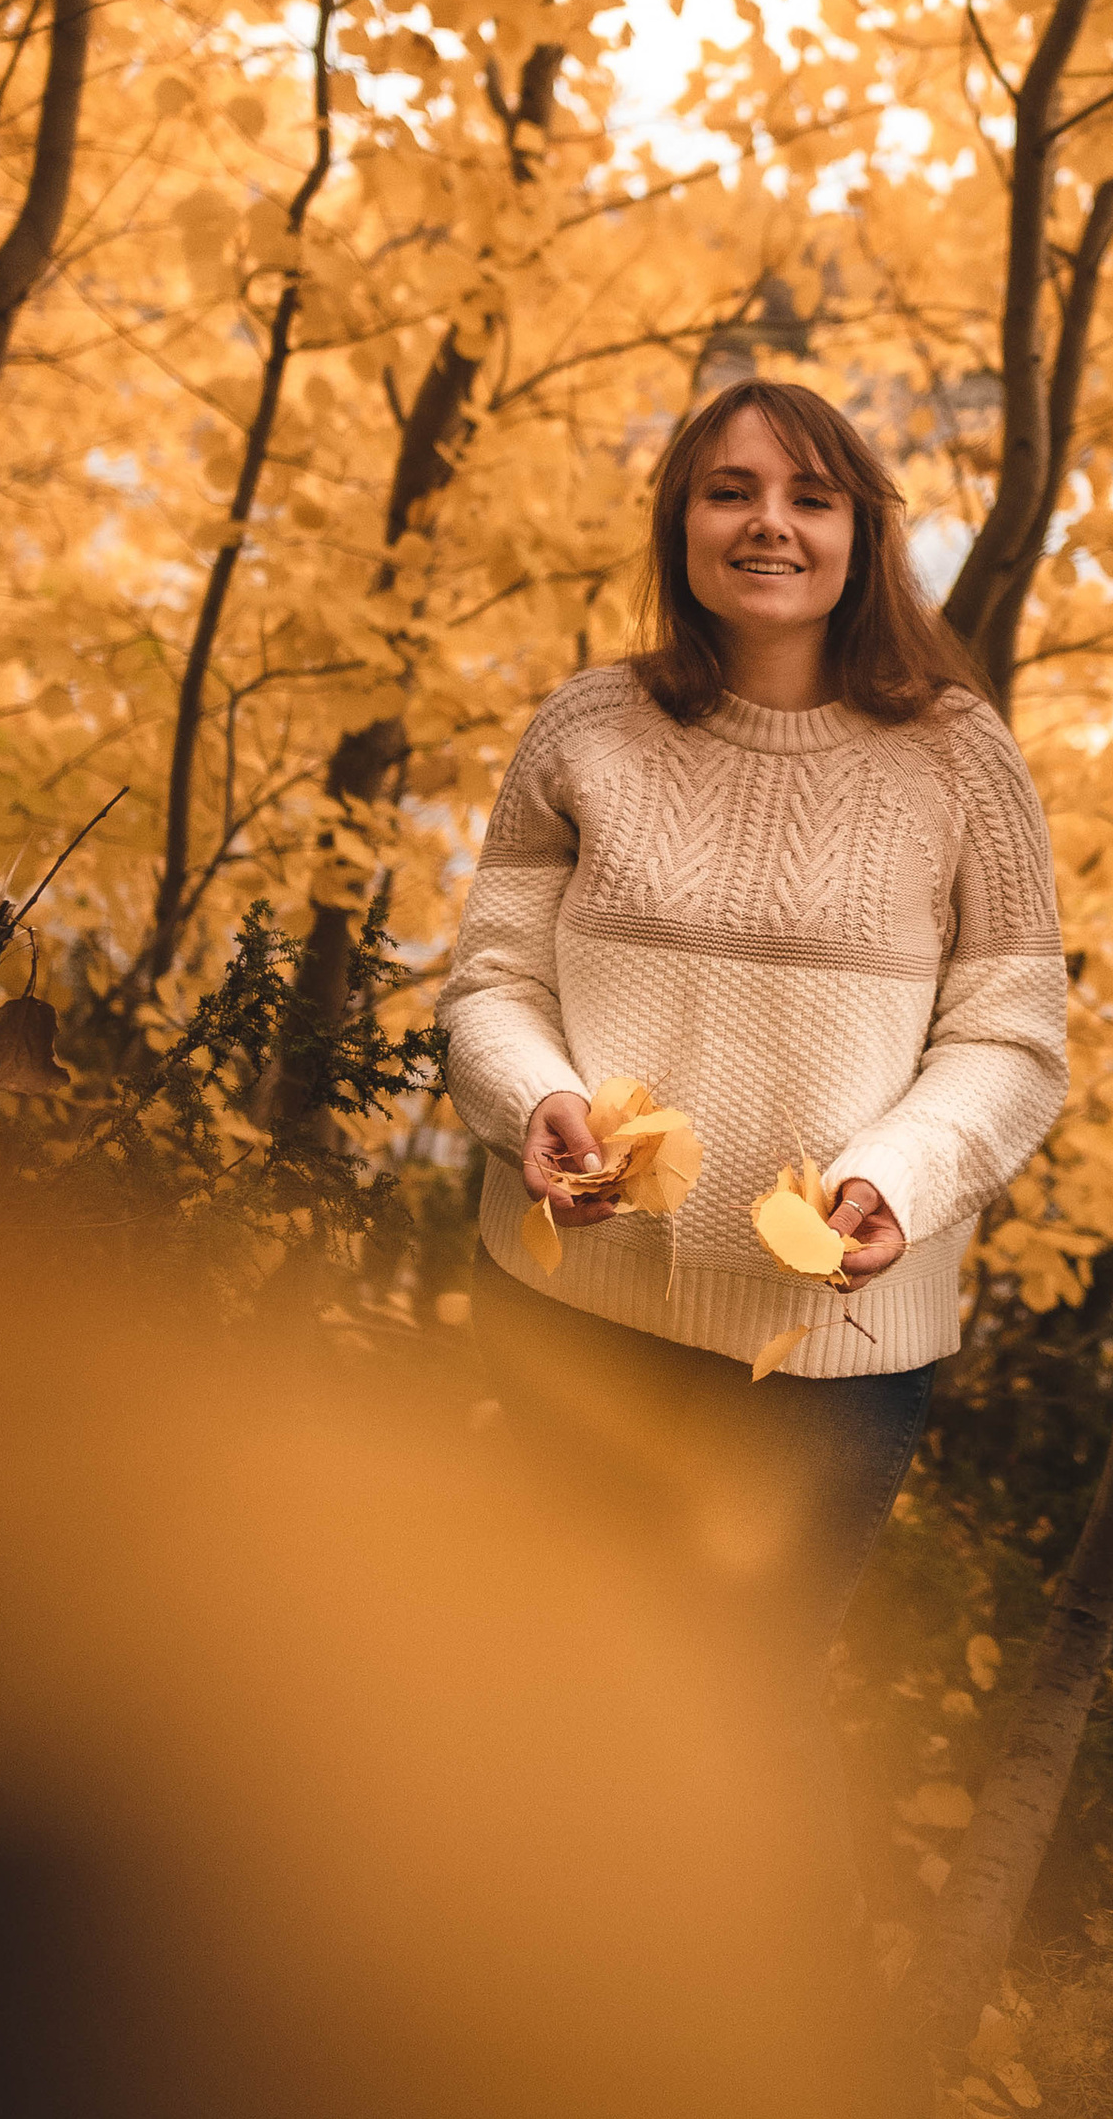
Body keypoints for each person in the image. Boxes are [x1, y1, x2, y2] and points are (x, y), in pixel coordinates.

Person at [438, 379, 1069, 1730]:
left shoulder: (959, 756)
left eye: (808, 495)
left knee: (736, 1718)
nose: (766, 522)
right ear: (679, 523)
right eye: (729, 490)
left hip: (823, 1359)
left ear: (861, 533)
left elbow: (1011, 1037)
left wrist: (902, 1175)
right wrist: (534, 1096)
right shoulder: (588, 725)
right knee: (556, 1679)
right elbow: (493, 977)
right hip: (569, 1315)